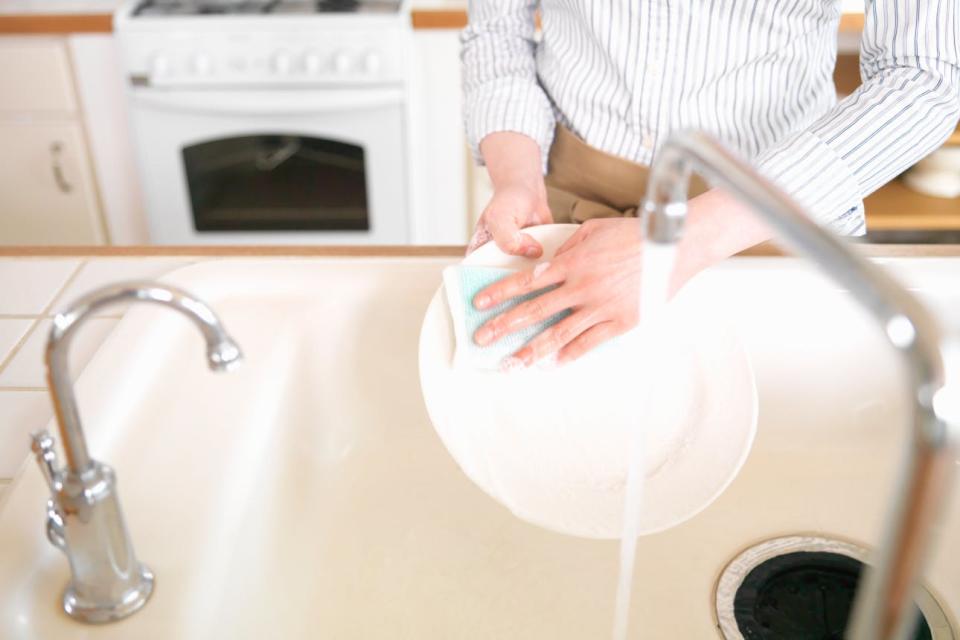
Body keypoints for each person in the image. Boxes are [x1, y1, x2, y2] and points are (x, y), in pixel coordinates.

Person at [461, 1, 960, 368]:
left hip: (768, 218)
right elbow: (498, 27)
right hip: (561, 205)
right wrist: (516, 177)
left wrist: (680, 243)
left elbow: (923, 78)